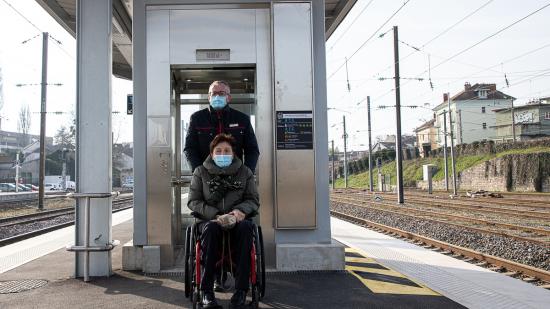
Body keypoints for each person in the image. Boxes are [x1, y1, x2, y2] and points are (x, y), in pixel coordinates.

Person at [188, 133, 260, 309]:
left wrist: (239, 212)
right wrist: (215, 216)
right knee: (211, 229)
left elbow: (253, 199)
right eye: (218, 151)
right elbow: (193, 201)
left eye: (226, 151)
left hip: (237, 220)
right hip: (211, 221)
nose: (222, 154)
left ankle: (241, 291)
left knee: (246, 229)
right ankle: (207, 292)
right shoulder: (200, 172)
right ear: (211, 153)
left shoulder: (245, 172)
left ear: (233, 153)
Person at [184, 80, 260, 173]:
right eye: (214, 93)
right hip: (206, 175)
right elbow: (190, 148)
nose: (217, 96)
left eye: (221, 93)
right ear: (209, 97)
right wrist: (198, 172)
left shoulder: (242, 119)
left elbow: (252, 149)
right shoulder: (197, 118)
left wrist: (247, 173)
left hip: (235, 175)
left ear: (228, 98)